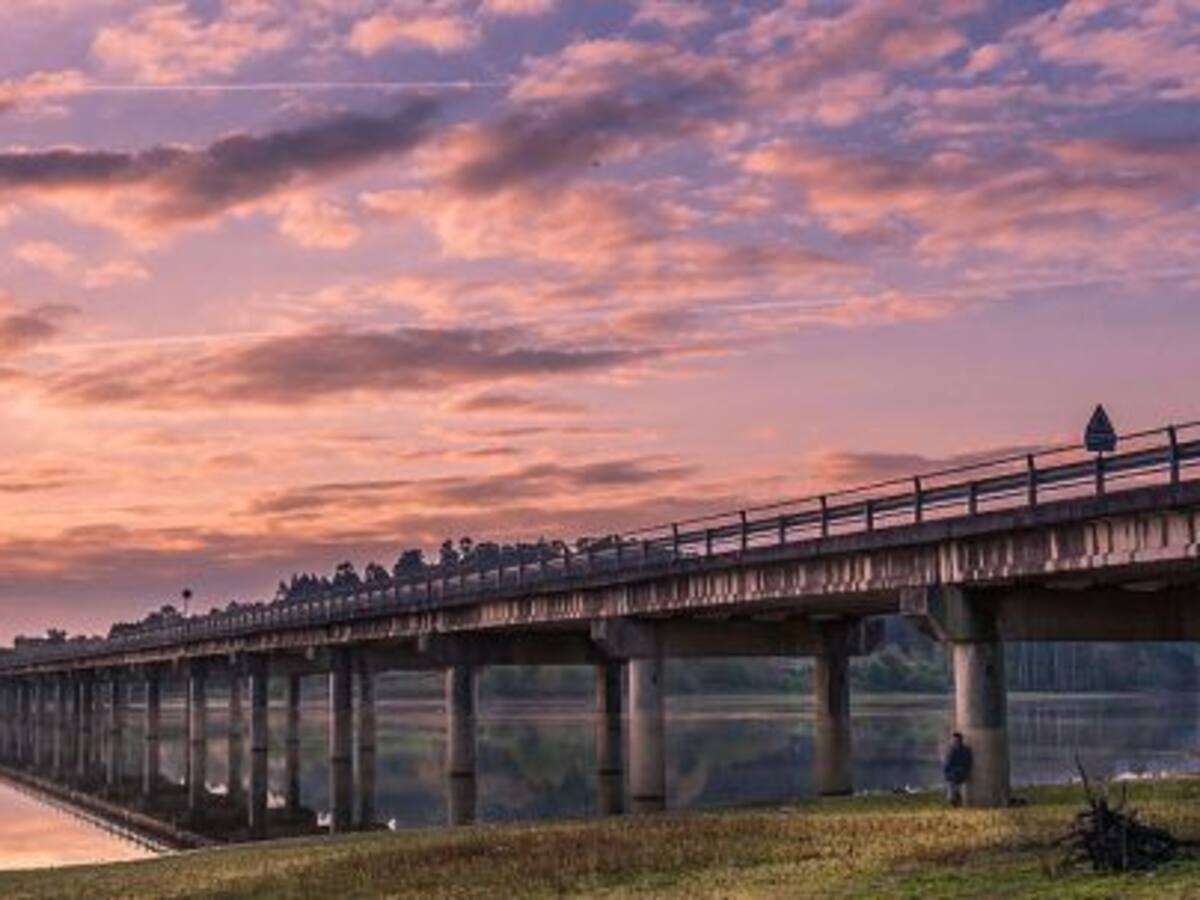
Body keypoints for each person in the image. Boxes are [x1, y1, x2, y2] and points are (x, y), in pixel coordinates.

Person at [943, 731, 972, 806]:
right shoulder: (950, 750)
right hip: (952, 774)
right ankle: (955, 802)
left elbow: (968, 762)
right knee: (952, 791)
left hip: (960, 773)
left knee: (955, 790)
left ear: (961, 740)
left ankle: (956, 802)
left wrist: (965, 771)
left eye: (957, 740)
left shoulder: (966, 750)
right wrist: (947, 774)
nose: (955, 742)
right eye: (954, 740)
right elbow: (947, 764)